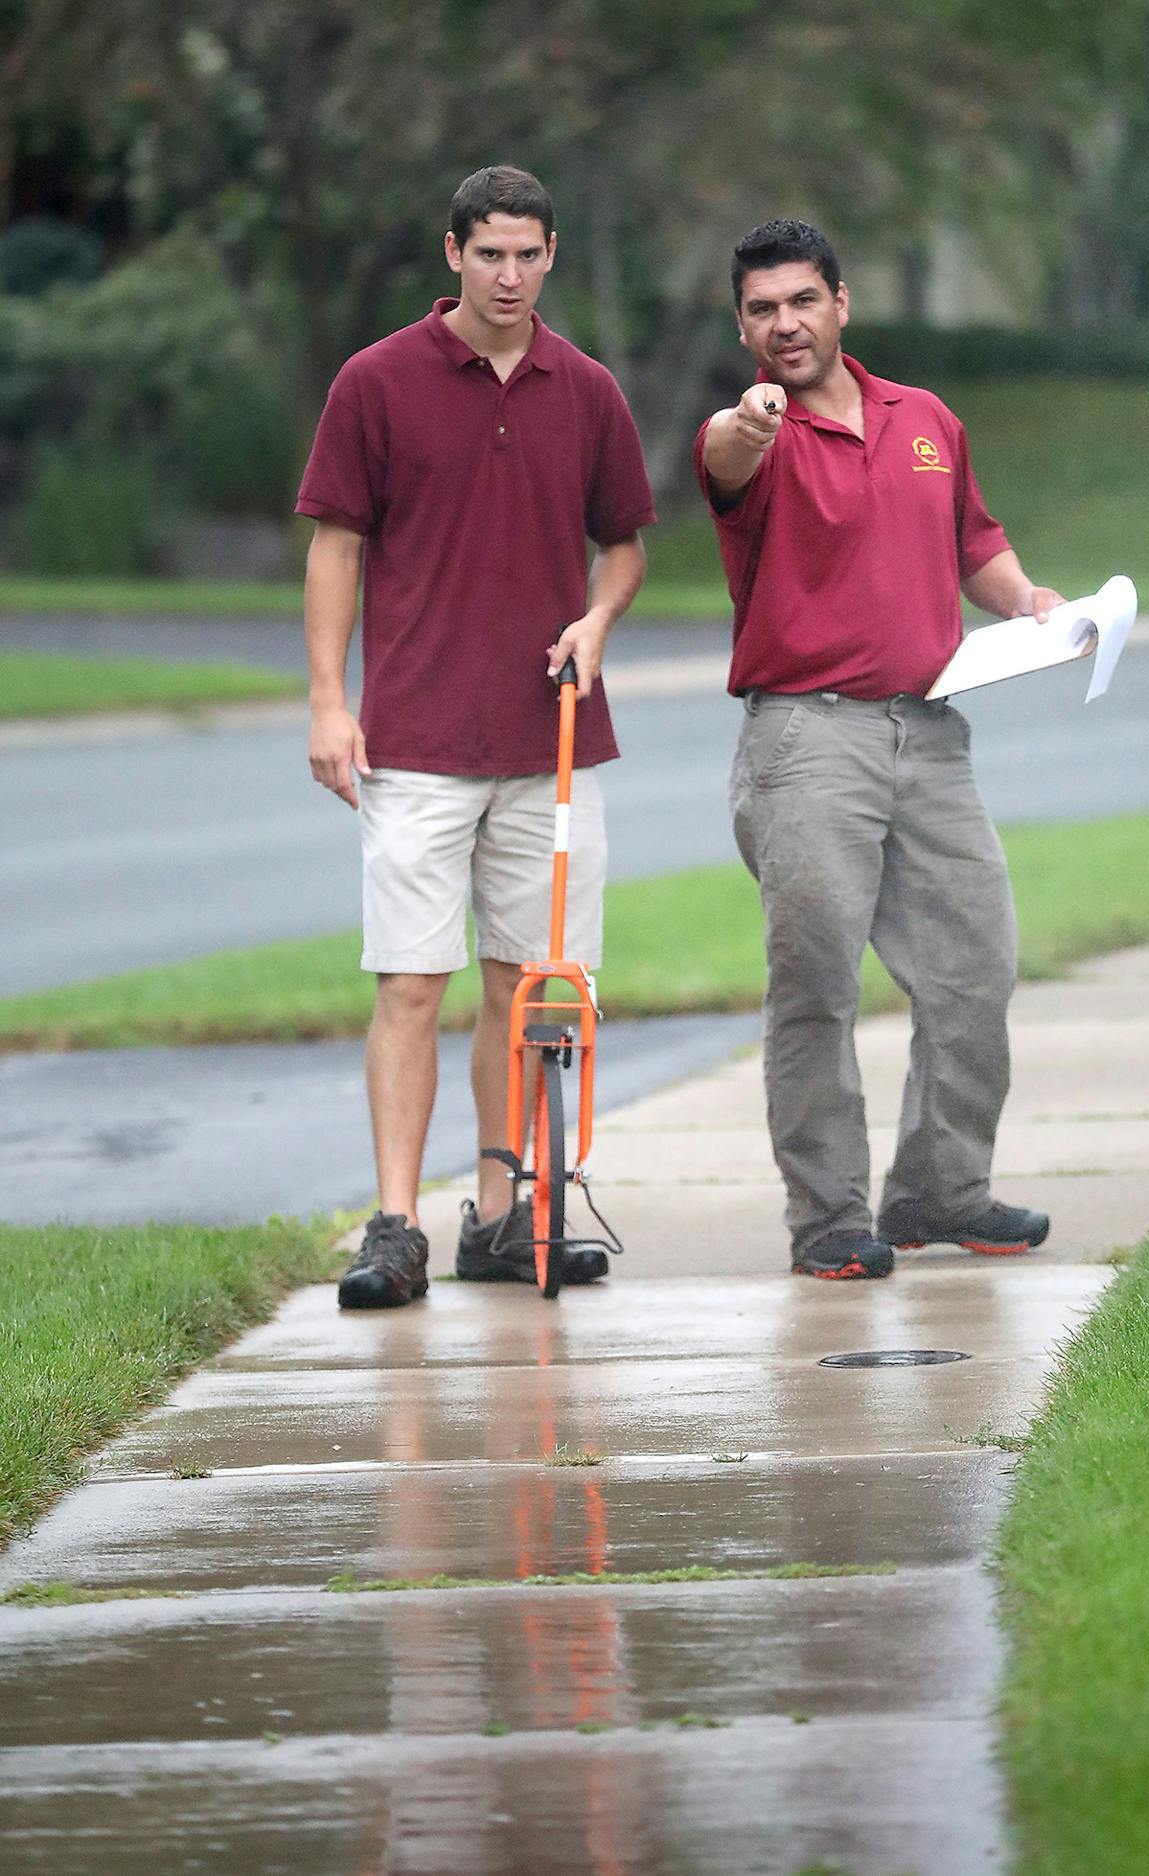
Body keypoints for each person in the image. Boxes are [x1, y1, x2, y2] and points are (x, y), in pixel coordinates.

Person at [297, 165, 655, 1309]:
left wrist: (598, 619)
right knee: (410, 982)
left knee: (524, 985)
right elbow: (336, 548)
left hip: (548, 738)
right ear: (452, 253)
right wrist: (325, 701)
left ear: (552, 256)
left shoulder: (587, 388)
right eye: (488, 252)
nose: (509, 274)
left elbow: (625, 544)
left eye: (528, 253)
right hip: (413, 736)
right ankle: (395, 1225)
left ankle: (501, 1223)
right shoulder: (377, 382)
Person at [695, 218, 1062, 1281]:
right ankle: (827, 1218)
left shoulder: (923, 419)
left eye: (800, 301)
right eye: (760, 310)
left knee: (974, 966)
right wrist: (748, 417)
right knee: (816, 983)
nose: (783, 324)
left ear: (840, 302)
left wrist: (1026, 599)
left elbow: (972, 541)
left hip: (932, 731)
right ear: (743, 326)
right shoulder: (751, 437)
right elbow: (720, 454)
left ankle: (937, 1191)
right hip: (806, 740)